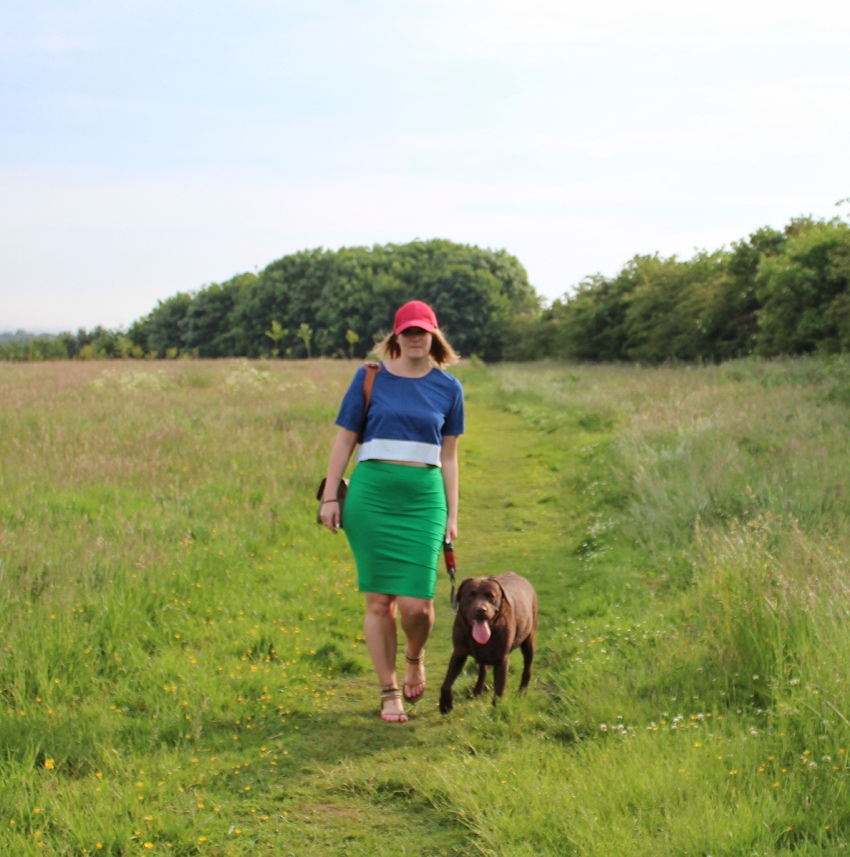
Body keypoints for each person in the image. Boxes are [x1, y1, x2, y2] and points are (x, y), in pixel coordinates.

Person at [320, 300, 464, 723]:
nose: (416, 338)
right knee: (379, 600)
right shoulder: (369, 378)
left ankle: (415, 656)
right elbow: (345, 441)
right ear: (395, 336)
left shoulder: (449, 388)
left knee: (418, 605)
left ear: (434, 336)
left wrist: (452, 514)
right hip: (372, 497)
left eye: (424, 331)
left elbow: (450, 457)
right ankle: (388, 691)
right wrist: (331, 496)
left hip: (423, 499)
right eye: (408, 331)